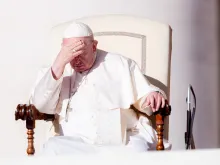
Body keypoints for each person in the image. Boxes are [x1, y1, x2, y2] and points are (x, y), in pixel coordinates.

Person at [30, 22, 169, 156]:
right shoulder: (59, 67)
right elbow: (40, 106)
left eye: (81, 53)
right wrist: (59, 63)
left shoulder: (119, 64)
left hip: (121, 142)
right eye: (71, 54)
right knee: (52, 148)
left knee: (140, 151)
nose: (76, 60)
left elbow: (145, 95)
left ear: (94, 46)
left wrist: (152, 95)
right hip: (76, 144)